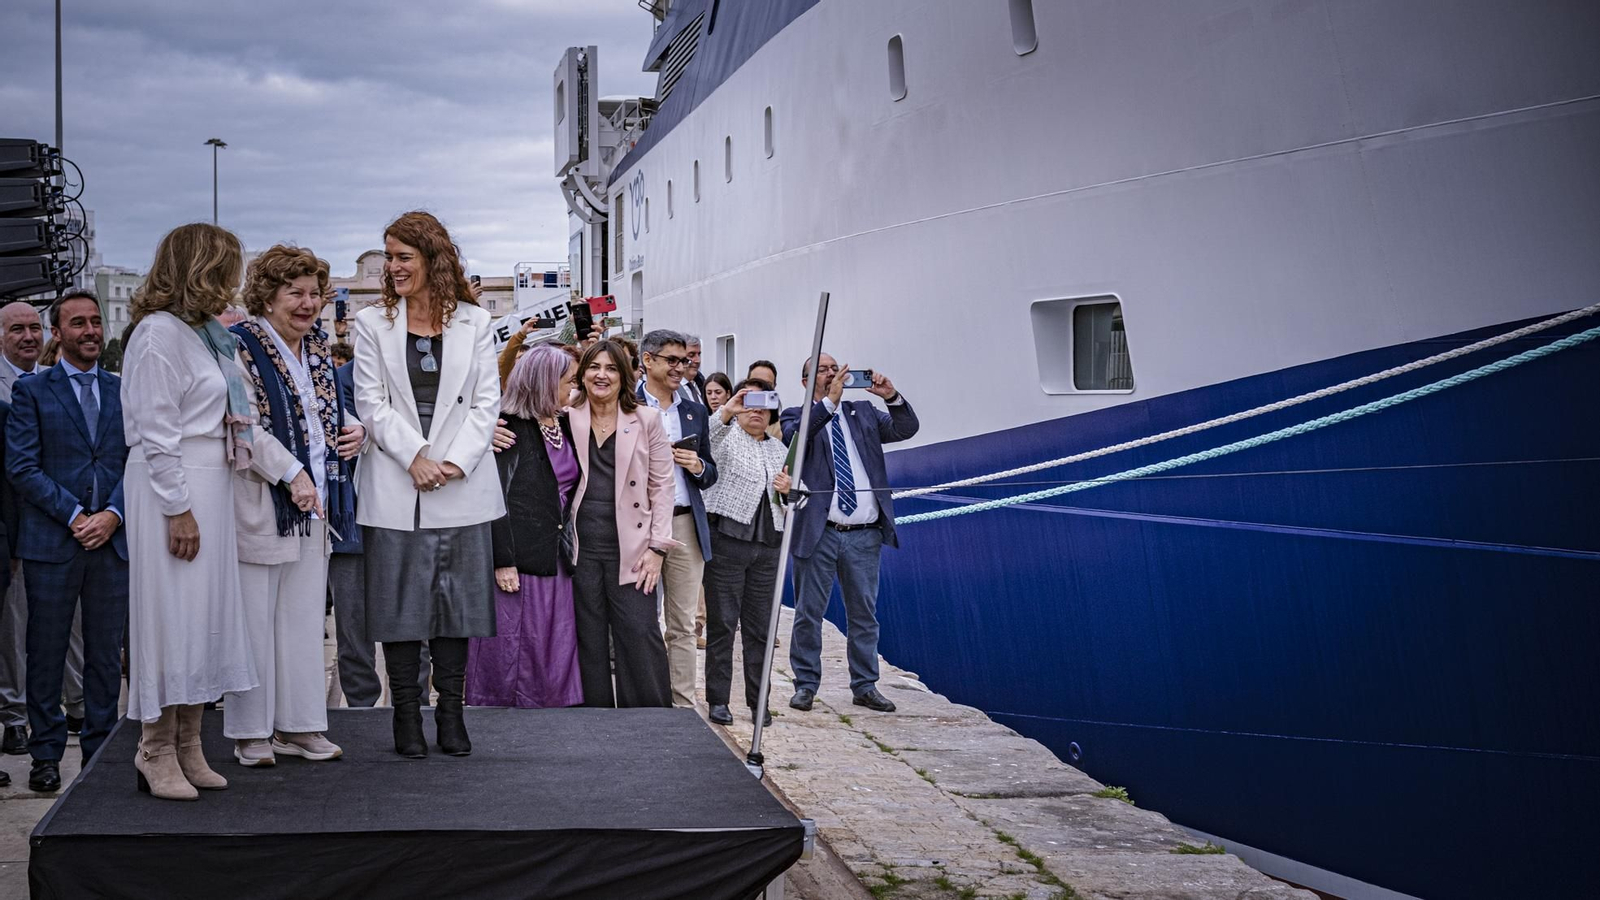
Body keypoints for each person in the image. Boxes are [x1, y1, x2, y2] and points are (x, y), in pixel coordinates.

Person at [352, 211, 503, 758]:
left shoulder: (476, 322)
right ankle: (407, 718)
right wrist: (414, 455)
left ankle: (452, 715)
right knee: (399, 606)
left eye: (402, 257)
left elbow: (488, 402)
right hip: (396, 482)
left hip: (461, 485)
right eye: (388, 256)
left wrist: (456, 462)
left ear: (431, 259)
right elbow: (369, 401)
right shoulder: (371, 324)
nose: (391, 267)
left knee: (455, 608)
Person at [122, 222, 258, 800]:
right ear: (202, 269)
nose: (235, 280)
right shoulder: (157, 334)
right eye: (228, 267)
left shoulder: (206, 334)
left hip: (212, 479)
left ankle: (188, 742)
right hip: (171, 483)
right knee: (171, 615)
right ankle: (154, 746)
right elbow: (156, 430)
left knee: (206, 616)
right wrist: (177, 508)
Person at [225, 245, 364, 766]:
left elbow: (330, 416)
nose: (308, 304)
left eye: (314, 294)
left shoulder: (317, 349)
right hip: (264, 503)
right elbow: (243, 424)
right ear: (267, 294)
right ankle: (251, 732)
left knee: (304, 621)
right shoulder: (238, 345)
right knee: (255, 622)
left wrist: (357, 432)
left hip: (317, 506)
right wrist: (292, 473)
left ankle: (300, 725)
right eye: (295, 293)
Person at [4, 290, 129, 792]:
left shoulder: (123, 390)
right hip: (52, 544)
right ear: (58, 333)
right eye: (78, 323)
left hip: (112, 544)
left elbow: (134, 460)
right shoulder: (33, 392)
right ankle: (46, 754)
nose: (91, 331)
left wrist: (114, 515)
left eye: (96, 321)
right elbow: (22, 467)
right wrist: (78, 515)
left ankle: (99, 752)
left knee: (104, 656)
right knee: (46, 652)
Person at [782, 353, 919, 714]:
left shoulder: (864, 413)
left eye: (834, 368)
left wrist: (891, 396)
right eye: (822, 371)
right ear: (805, 382)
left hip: (863, 533)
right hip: (819, 531)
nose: (832, 374)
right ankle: (806, 685)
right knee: (808, 613)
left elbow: (906, 429)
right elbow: (796, 440)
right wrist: (829, 402)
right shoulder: (795, 416)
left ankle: (865, 685)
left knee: (864, 613)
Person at [467, 344, 584, 708]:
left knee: (554, 645)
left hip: (555, 556)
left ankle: (550, 720)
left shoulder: (565, 424)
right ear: (544, 383)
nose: (574, 390)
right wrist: (502, 559)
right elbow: (493, 498)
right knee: (511, 646)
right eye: (569, 382)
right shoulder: (507, 427)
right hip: (517, 561)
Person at [567, 339, 673, 708]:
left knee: (640, 634)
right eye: (594, 367)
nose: (602, 375)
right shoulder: (567, 414)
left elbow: (662, 485)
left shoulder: (647, 419)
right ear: (582, 374)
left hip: (634, 549)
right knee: (588, 638)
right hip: (579, 549)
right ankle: (593, 723)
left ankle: (651, 724)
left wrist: (658, 548)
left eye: (611, 368)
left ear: (624, 377)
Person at [701, 379, 792, 727]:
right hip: (727, 541)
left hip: (768, 546)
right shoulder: (724, 437)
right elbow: (704, 440)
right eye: (750, 403)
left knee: (761, 629)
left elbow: (799, 499)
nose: (757, 411)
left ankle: (759, 702)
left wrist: (789, 491)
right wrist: (727, 410)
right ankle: (718, 700)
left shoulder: (780, 449)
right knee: (722, 624)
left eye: (764, 404)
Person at [636, 329, 717, 708]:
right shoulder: (625, 404)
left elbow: (711, 472)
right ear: (647, 360)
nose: (681, 368)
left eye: (684, 361)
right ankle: (646, 700)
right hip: (638, 524)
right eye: (672, 360)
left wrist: (698, 465)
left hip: (685, 523)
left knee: (683, 624)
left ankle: (683, 706)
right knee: (640, 621)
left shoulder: (695, 411)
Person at [0, 300, 45, 756]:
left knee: (61, 628)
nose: (29, 337)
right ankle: (14, 718)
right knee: (12, 630)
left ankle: (69, 706)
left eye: (35, 328)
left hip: (56, 524)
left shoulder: (51, 383)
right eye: (17, 329)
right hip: (10, 528)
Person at [677, 335, 706, 405]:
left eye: (698, 354)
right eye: (691, 355)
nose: (698, 360)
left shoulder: (700, 383)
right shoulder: (672, 389)